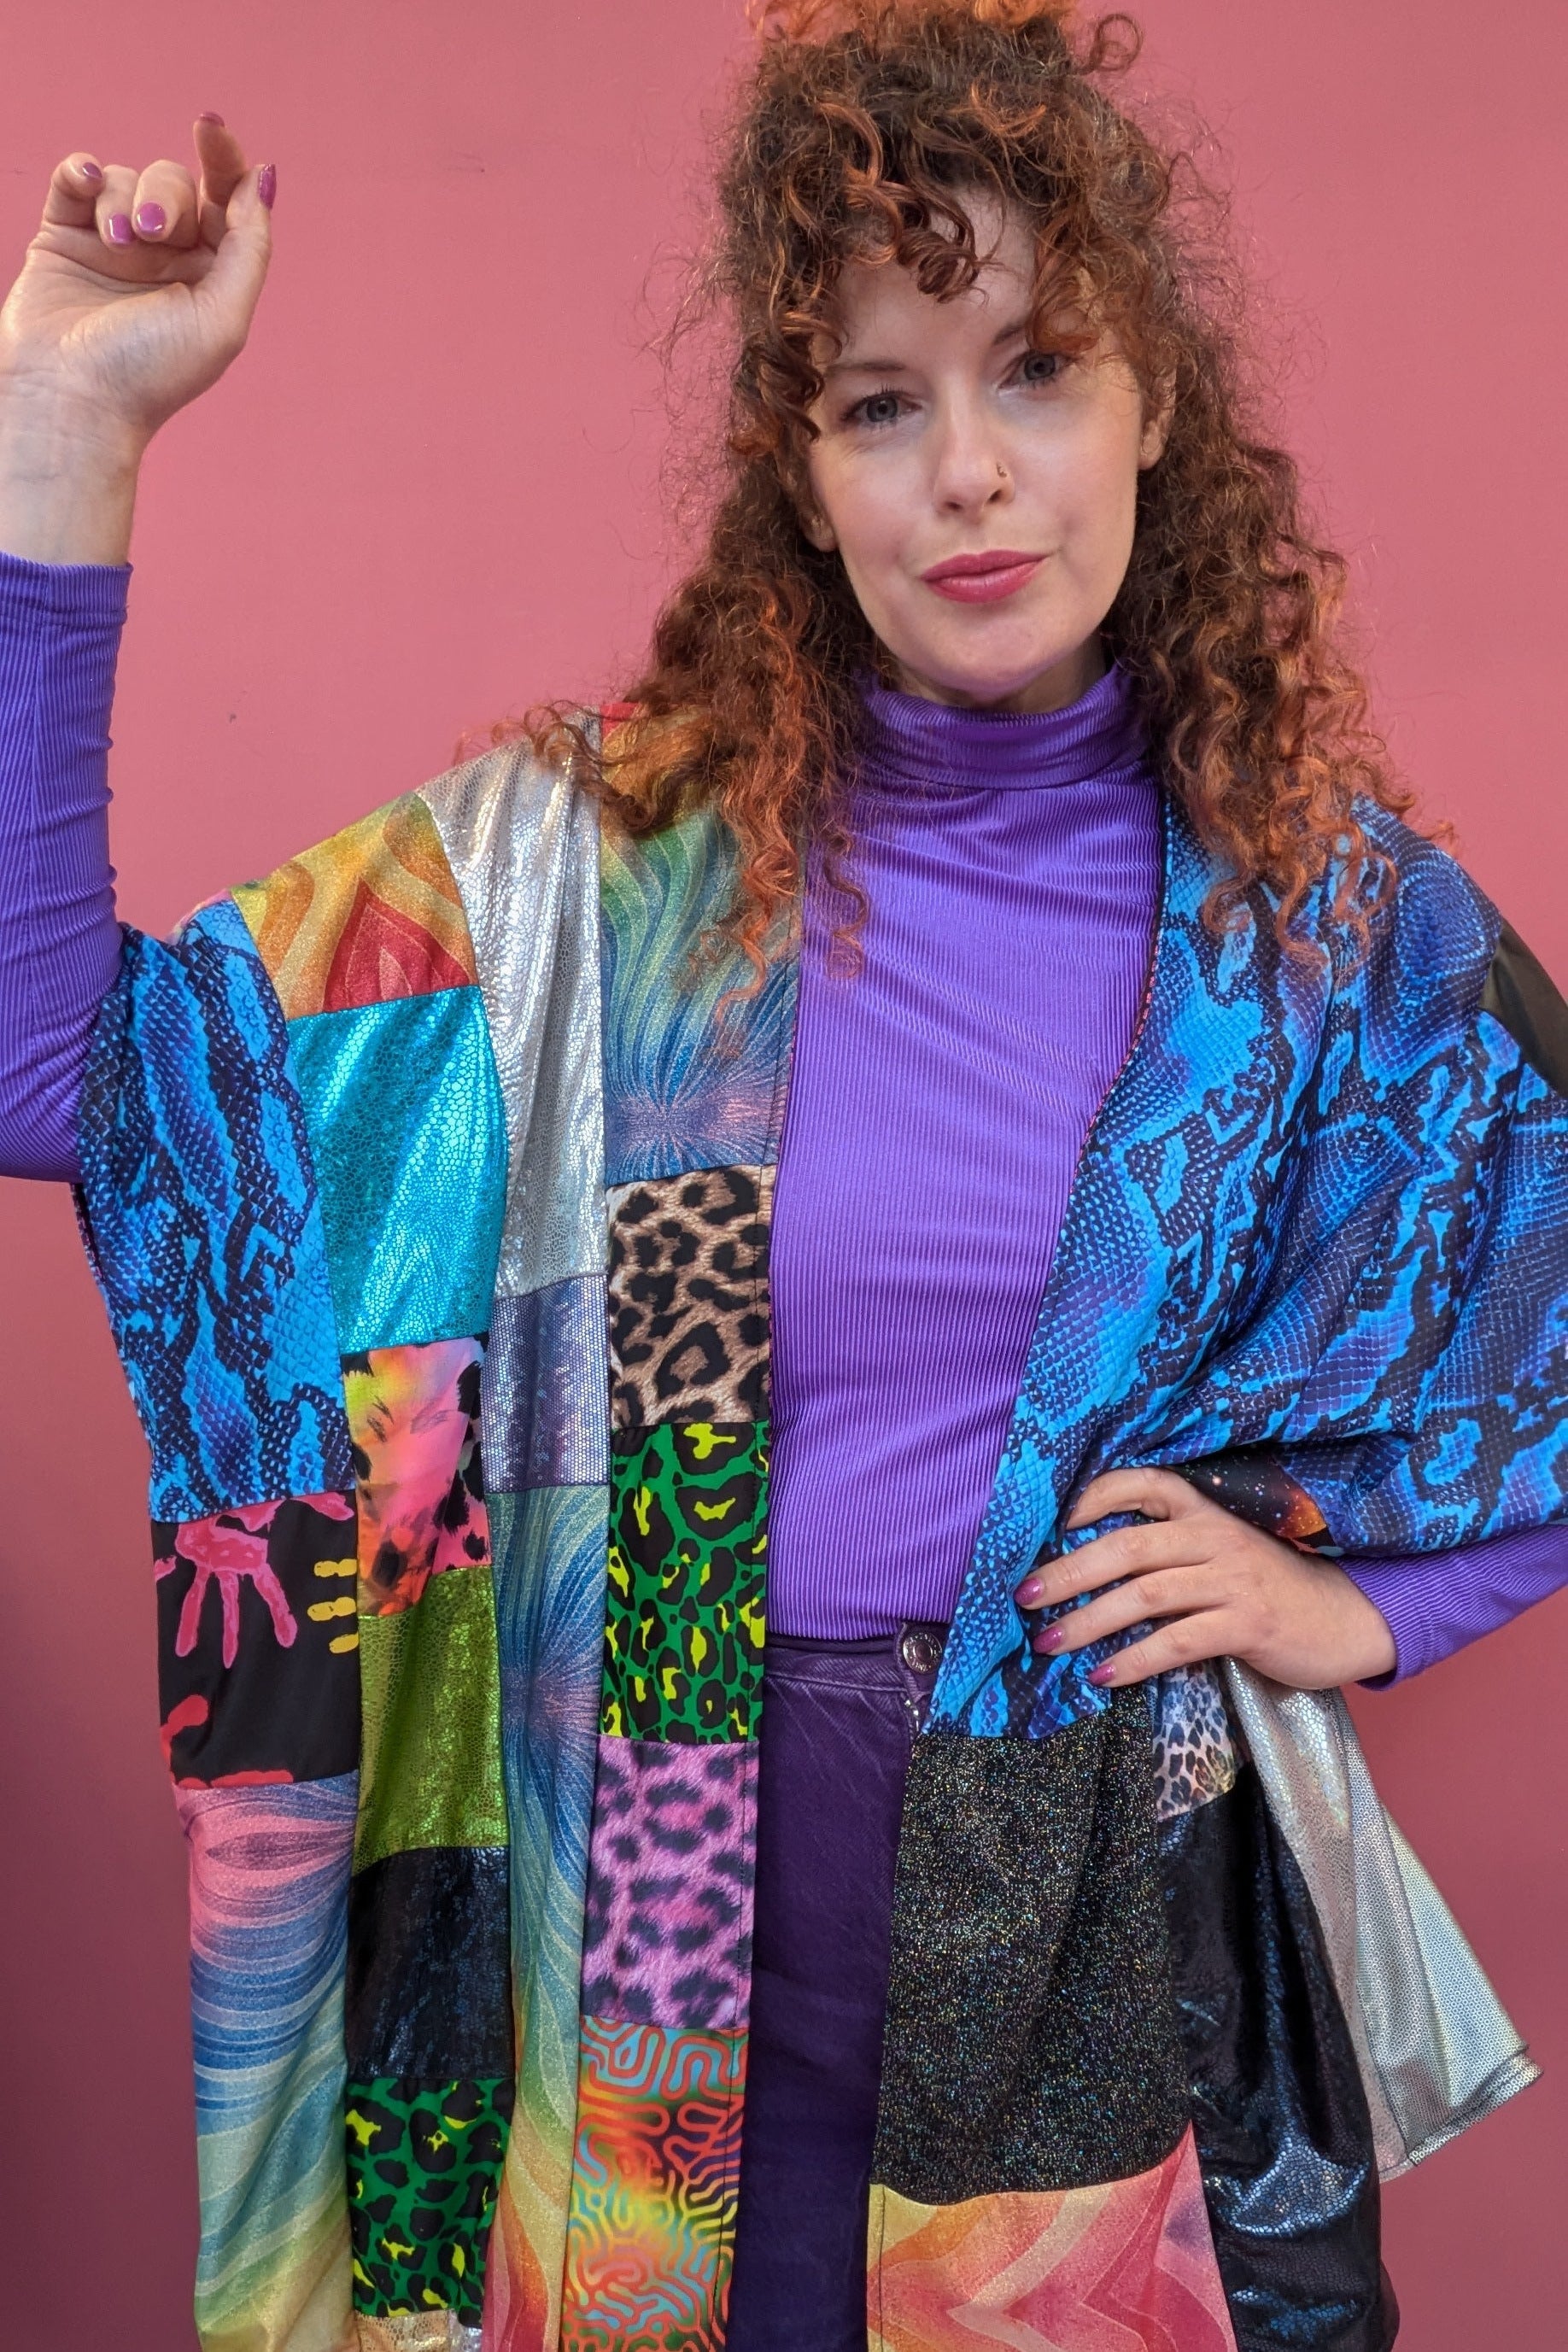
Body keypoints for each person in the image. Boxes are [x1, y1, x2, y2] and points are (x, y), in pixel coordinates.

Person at [1, 4, 1565, 2349]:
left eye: (1035, 369)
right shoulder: (589, 886)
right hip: (632, 1956)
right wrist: (65, 440)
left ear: (1153, 400)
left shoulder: (1318, 936)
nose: (970, 475)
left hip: (1099, 1963)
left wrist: (1369, 1610)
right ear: (801, 470)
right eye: (878, 402)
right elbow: (53, 1063)